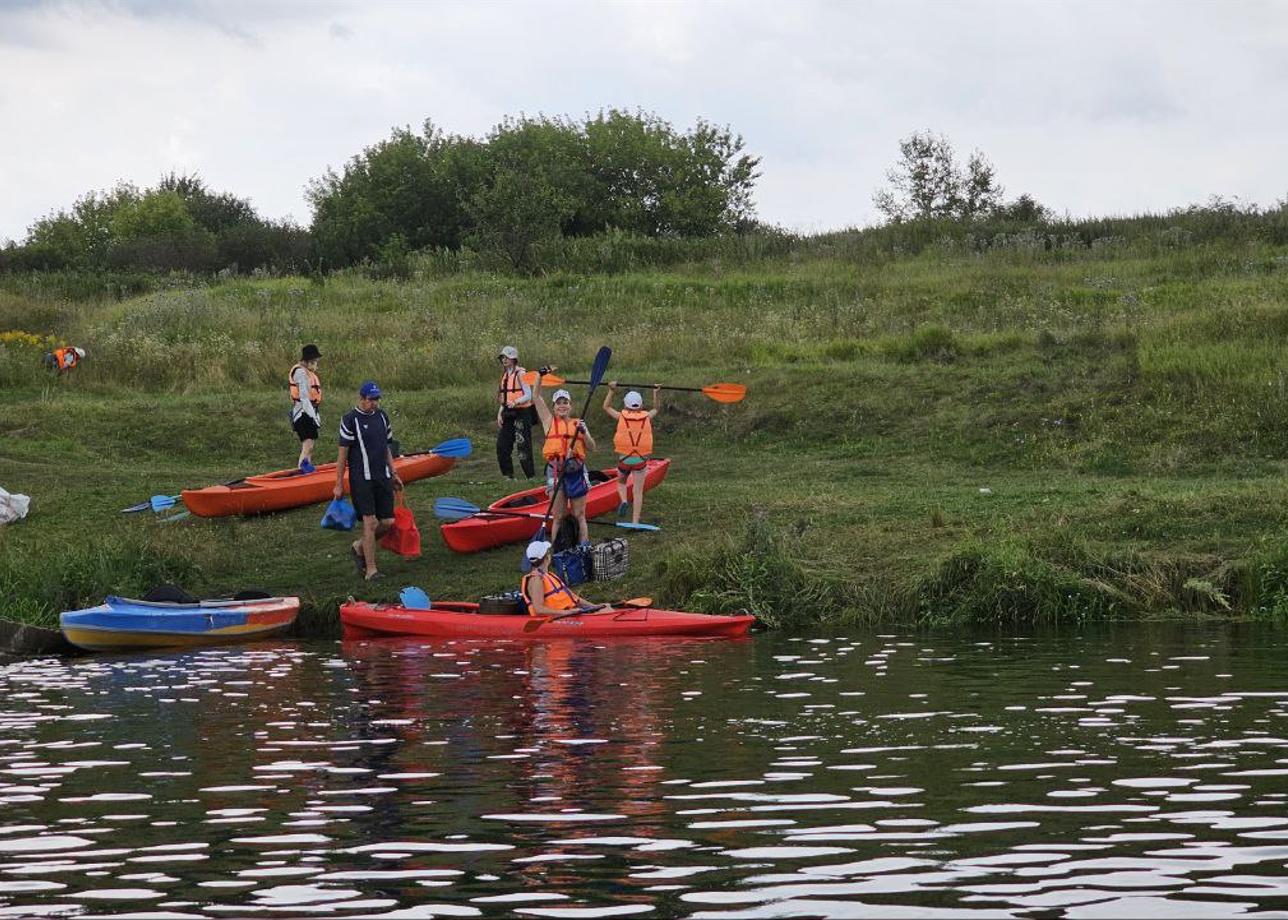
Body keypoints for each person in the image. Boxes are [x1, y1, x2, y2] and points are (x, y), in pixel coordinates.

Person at [333, 381, 403, 581]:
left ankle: (359, 546)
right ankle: (371, 570)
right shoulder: (349, 420)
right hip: (361, 479)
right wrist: (338, 483)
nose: (375, 403)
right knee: (370, 523)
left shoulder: (382, 417)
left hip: (382, 476)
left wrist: (394, 471)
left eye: (377, 399)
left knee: (388, 522)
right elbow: (342, 455)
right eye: (371, 399)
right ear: (362, 399)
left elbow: (386, 447)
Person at [533, 374, 596, 549]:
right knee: (558, 516)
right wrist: (540, 375)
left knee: (579, 514)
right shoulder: (548, 422)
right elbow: (536, 397)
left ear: (570, 406)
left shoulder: (579, 424)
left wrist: (584, 433)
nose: (562, 405)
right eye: (558, 403)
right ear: (553, 407)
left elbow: (592, 447)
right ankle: (556, 550)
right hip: (555, 471)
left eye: (565, 402)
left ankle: (584, 547)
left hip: (576, 471)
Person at [603, 382, 661, 525]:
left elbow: (606, 407)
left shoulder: (620, 416)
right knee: (637, 492)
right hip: (640, 461)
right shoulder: (647, 416)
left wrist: (611, 390)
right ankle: (635, 521)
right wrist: (656, 392)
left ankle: (623, 500)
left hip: (625, 460)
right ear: (640, 405)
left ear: (625, 405)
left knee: (621, 482)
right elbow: (656, 408)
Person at [521, 540, 605, 616]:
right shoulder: (536, 579)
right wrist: (566, 613)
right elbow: (539, 609)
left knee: (607, 608)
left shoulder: (550, 576)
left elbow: (574, 598)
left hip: (570, 612)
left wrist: (594, 606)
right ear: (547, 558)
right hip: (560, 617)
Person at [495, 345, 535, 480]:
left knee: (523, 445)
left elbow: (528, 395)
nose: (504, 360)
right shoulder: (505, 375)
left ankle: (530, 476)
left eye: (507, 357)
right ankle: (508, 475)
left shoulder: (521, 374)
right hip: (508, 413)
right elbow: (504, 397)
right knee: (502, 445)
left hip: (522, 413)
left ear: (513, 359)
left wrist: (516, 402)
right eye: (502, 357)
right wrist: (500, 411)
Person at [289, 344, 323, 473]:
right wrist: (313, 416)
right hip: (303, 413)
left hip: (309, 411)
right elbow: (304, 398)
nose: (316, 365)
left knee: (310, 445)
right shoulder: (300, 373)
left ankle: (306, 468)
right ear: (309, 361)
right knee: (307, 444)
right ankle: (301, 471)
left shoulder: (307, 372)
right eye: (315, 362)